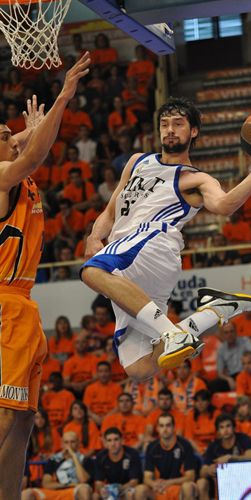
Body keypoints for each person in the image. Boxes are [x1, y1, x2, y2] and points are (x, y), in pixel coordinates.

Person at [81, 96, 251, 382]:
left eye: (178, 124)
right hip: (126, 254)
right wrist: (94, 236)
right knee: (138, 368)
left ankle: (172, 332)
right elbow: (112, 208)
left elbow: (224, 206)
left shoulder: (195, 178)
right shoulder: (138, 162)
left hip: (153, 243)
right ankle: (215, 311)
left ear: (193, 131)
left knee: (92, 271)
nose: (169, 130)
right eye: (164, 124)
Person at [0, 52, 90, 500]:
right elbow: (33, 154)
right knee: (2, 414)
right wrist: (63, 98)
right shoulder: (1, 175)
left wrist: (33, 128)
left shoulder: (12, 167)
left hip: (23, 302)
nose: (12, 135)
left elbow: (28, 143)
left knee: (23, 419)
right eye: (5, 135)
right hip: (4, 304)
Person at [135, 414, 197, 500]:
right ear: (157, 428)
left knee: (188, 487)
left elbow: (191, 476)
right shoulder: (151, 447)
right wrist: (154, 484)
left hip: (178, 487)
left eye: (168, 425)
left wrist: (168, 483)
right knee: (140, 489)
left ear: (174, 427)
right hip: (159, 488)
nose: (165, 429)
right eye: (161, 426)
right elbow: (147, 477)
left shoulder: (185, 445)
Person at [197, 413, 251, 500]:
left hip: (242, 477)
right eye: (222, 427)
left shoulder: (243, 439)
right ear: (218, 431)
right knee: (201, 482)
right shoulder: (213, 446)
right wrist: (209, 470)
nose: (225, 430)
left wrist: (231, 458)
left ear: (234, 428)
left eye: (228, 426)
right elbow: (202, 471)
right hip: (218, 481)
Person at [21, 431, 93, 500]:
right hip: (56, 492)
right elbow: (46, 484)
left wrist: (74, 457)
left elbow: (83, 480)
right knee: (27, 493)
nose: (69, 445)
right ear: (62, 444)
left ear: (78, 443)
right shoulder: (53, 460)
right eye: (66, 442)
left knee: (84, 489)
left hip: (74, 491)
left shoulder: (85, 459)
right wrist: (69, 485)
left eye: (72, 442)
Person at [94, 427, 142, 500]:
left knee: (130, 494)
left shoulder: (132, 454)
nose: (113, 444)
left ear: (122, 440)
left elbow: (134, 482)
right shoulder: (100, 456)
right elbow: (98, 482)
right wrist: (103, 490)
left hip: (127, 488)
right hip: (110, 489)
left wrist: (118, 489)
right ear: (105, 443)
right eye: (109, 440)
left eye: (116, 439)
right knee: (95, 496)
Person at [83, 360, 122, 426]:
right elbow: (86, 408)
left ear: (110, 372)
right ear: (97, 373)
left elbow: (118, 407)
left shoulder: (117, 388)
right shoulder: (90, 388)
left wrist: (105, 418)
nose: (103, 374)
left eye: (106, 371)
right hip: (94, 419)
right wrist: (95, 417)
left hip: (111, 419)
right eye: (100, 371)